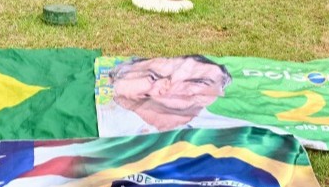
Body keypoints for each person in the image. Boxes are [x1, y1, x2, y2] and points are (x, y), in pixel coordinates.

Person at [99, 55, 250, 134]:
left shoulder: (232, 129)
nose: (178, 88)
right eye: (153, 77)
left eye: (200, 82)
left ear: (220, 91)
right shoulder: (105, 116)